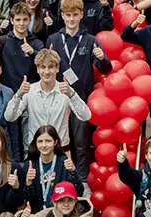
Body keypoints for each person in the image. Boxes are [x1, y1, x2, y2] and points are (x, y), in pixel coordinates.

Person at [46, 0, 114, 179]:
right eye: (68, 15)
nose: (71, 19)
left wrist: (103, 59)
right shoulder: (53, 39)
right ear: (62, 16)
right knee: (57, 141)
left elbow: (106, 69)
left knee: (81, 142)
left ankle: (82, 180)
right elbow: (44, 69)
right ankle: (58, 177)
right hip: (57, 98)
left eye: (75, 15)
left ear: (82, 14)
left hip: (81, 99)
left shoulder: (90, 40)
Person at [5, 49, 91, 154]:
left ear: (57, 68)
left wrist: (72, 95)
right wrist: (18, 94)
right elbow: (9, 117)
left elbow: (86, 116)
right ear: (37, 69)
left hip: (61, 150)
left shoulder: (66, 91)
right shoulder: (29, 91)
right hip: (36, 150)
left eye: (50, 67)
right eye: (43, 67)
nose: (46, 72)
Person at [22, 127, 83, 210]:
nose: (44, 145)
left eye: (48, 141)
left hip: (60, 213)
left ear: (55, 142)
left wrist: (73, 172)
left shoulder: (64, 162)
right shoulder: (30, 164)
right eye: (40, 141)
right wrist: (28, 183)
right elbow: (27, 198)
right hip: (37, 215)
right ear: (35, 143)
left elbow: (79, 192)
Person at [0, 3, 46, 92]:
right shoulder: (2, 41)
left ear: (29, 20)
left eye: (25, 20)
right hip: (6, 93)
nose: (21, 23)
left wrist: (33, 52)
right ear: (12, 21)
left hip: (29, 93)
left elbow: (45, 65)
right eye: (18, 20)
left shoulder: (37, 43)